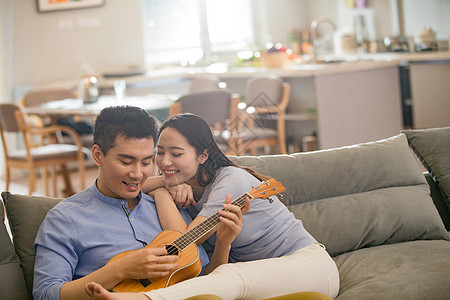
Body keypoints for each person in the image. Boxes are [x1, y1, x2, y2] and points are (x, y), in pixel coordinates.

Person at [84, 113, 340, 300]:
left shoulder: (231, 181)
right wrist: (166, 183)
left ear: (203, 156)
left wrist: (162, 189)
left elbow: (185, 242)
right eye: (159, 153)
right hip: (268, 281)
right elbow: (135, 184)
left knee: (232, 278)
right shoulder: (191, 189)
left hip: (310, 268)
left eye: (177, 153)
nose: (165, 161)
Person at [33, 106, 245, 300]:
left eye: (146, 162)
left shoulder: (167, 207)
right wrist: (121, 269)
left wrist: (223, 244)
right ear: (98, 155)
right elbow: (45, 294)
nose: (137, 174)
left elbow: (203, 280)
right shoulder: (65, 218)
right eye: (126, 162)